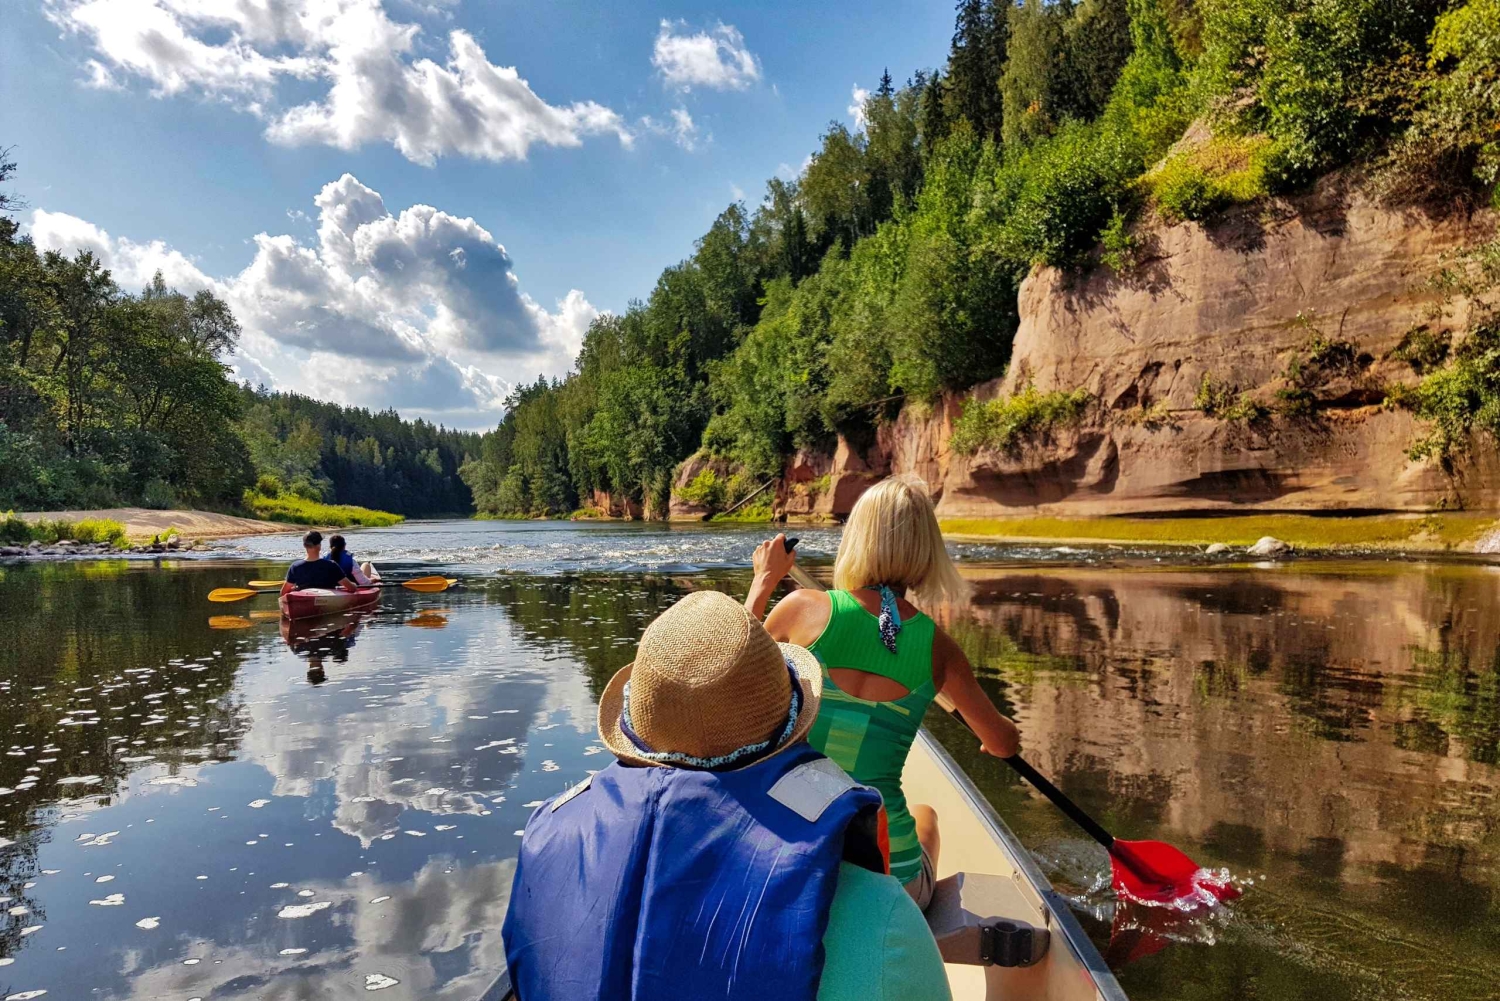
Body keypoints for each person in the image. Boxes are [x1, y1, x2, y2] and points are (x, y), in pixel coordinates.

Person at [502, 590, 951, 1001]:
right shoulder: (882, 914)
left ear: (635, 732)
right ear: (793, 730)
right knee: (927, 816)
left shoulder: (546, 835)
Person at [745, 477, 1021, 911]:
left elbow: (730, 676)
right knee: (926, 818)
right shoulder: (938, 647)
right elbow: (1004, 745)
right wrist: (998, 732)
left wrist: (763, 583)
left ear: (857, 539)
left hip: (797, 855)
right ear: (926, 552)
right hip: (890, 874)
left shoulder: (802, 609)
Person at [280, 530, 359, 597]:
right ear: (319, 546)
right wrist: (354, 585)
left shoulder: (295, 566)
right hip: (327, 600)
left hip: (305, 599)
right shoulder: (331, 565)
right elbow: (351, 588)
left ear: (304, 545)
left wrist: (295, 588)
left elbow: (283, 593)